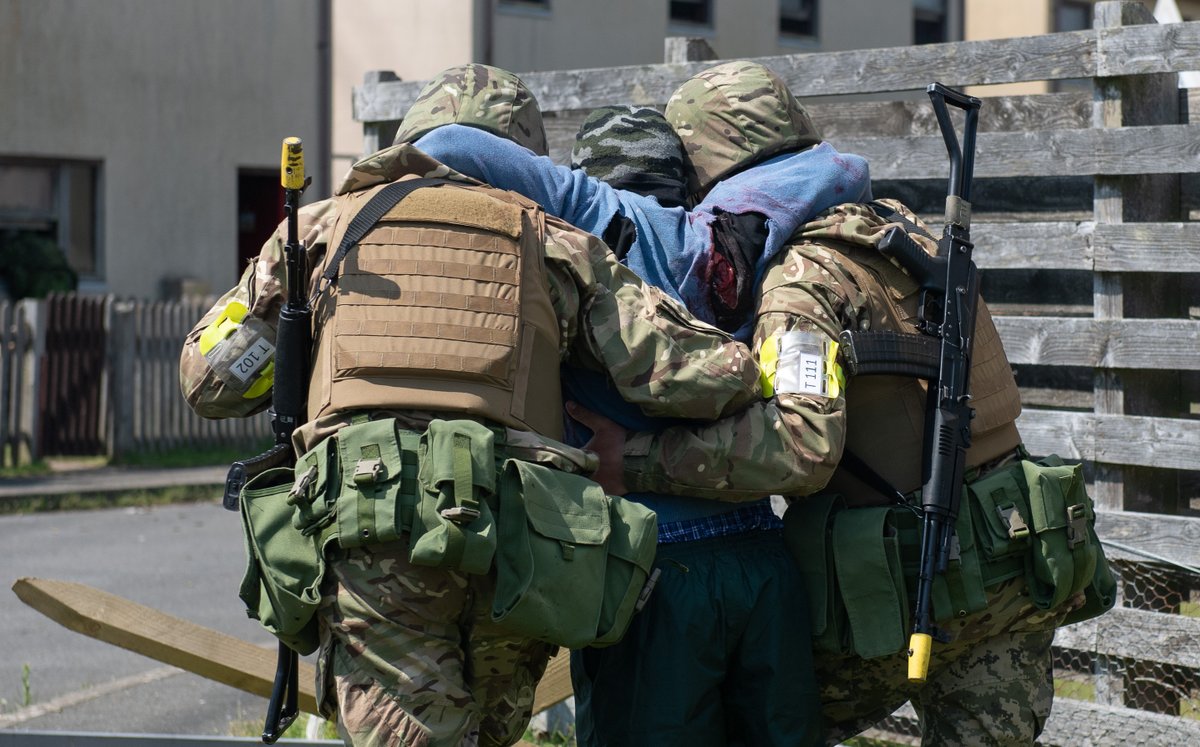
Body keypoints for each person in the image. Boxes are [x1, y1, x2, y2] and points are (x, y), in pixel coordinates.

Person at [179, 64, 765, 746]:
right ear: (518, 154)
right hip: (513, 542)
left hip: (374, 535)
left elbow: (208, 380)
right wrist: (779, 354)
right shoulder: (554, 240)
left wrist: (304, 350)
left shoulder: (318, 231)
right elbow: (692, 373)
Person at [575, 60, 1114, 746]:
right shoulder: (907, 232)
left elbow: (799, 448)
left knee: (754, 720)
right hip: (1013, 565)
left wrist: (638, 460)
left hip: (899, 583)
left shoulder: (800, 278)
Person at [414, 97, 874, 746]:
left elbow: (454, 142)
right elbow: (845, 168)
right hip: (764, 564)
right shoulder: (740, 237)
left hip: (650, 576)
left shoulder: (588, 213)